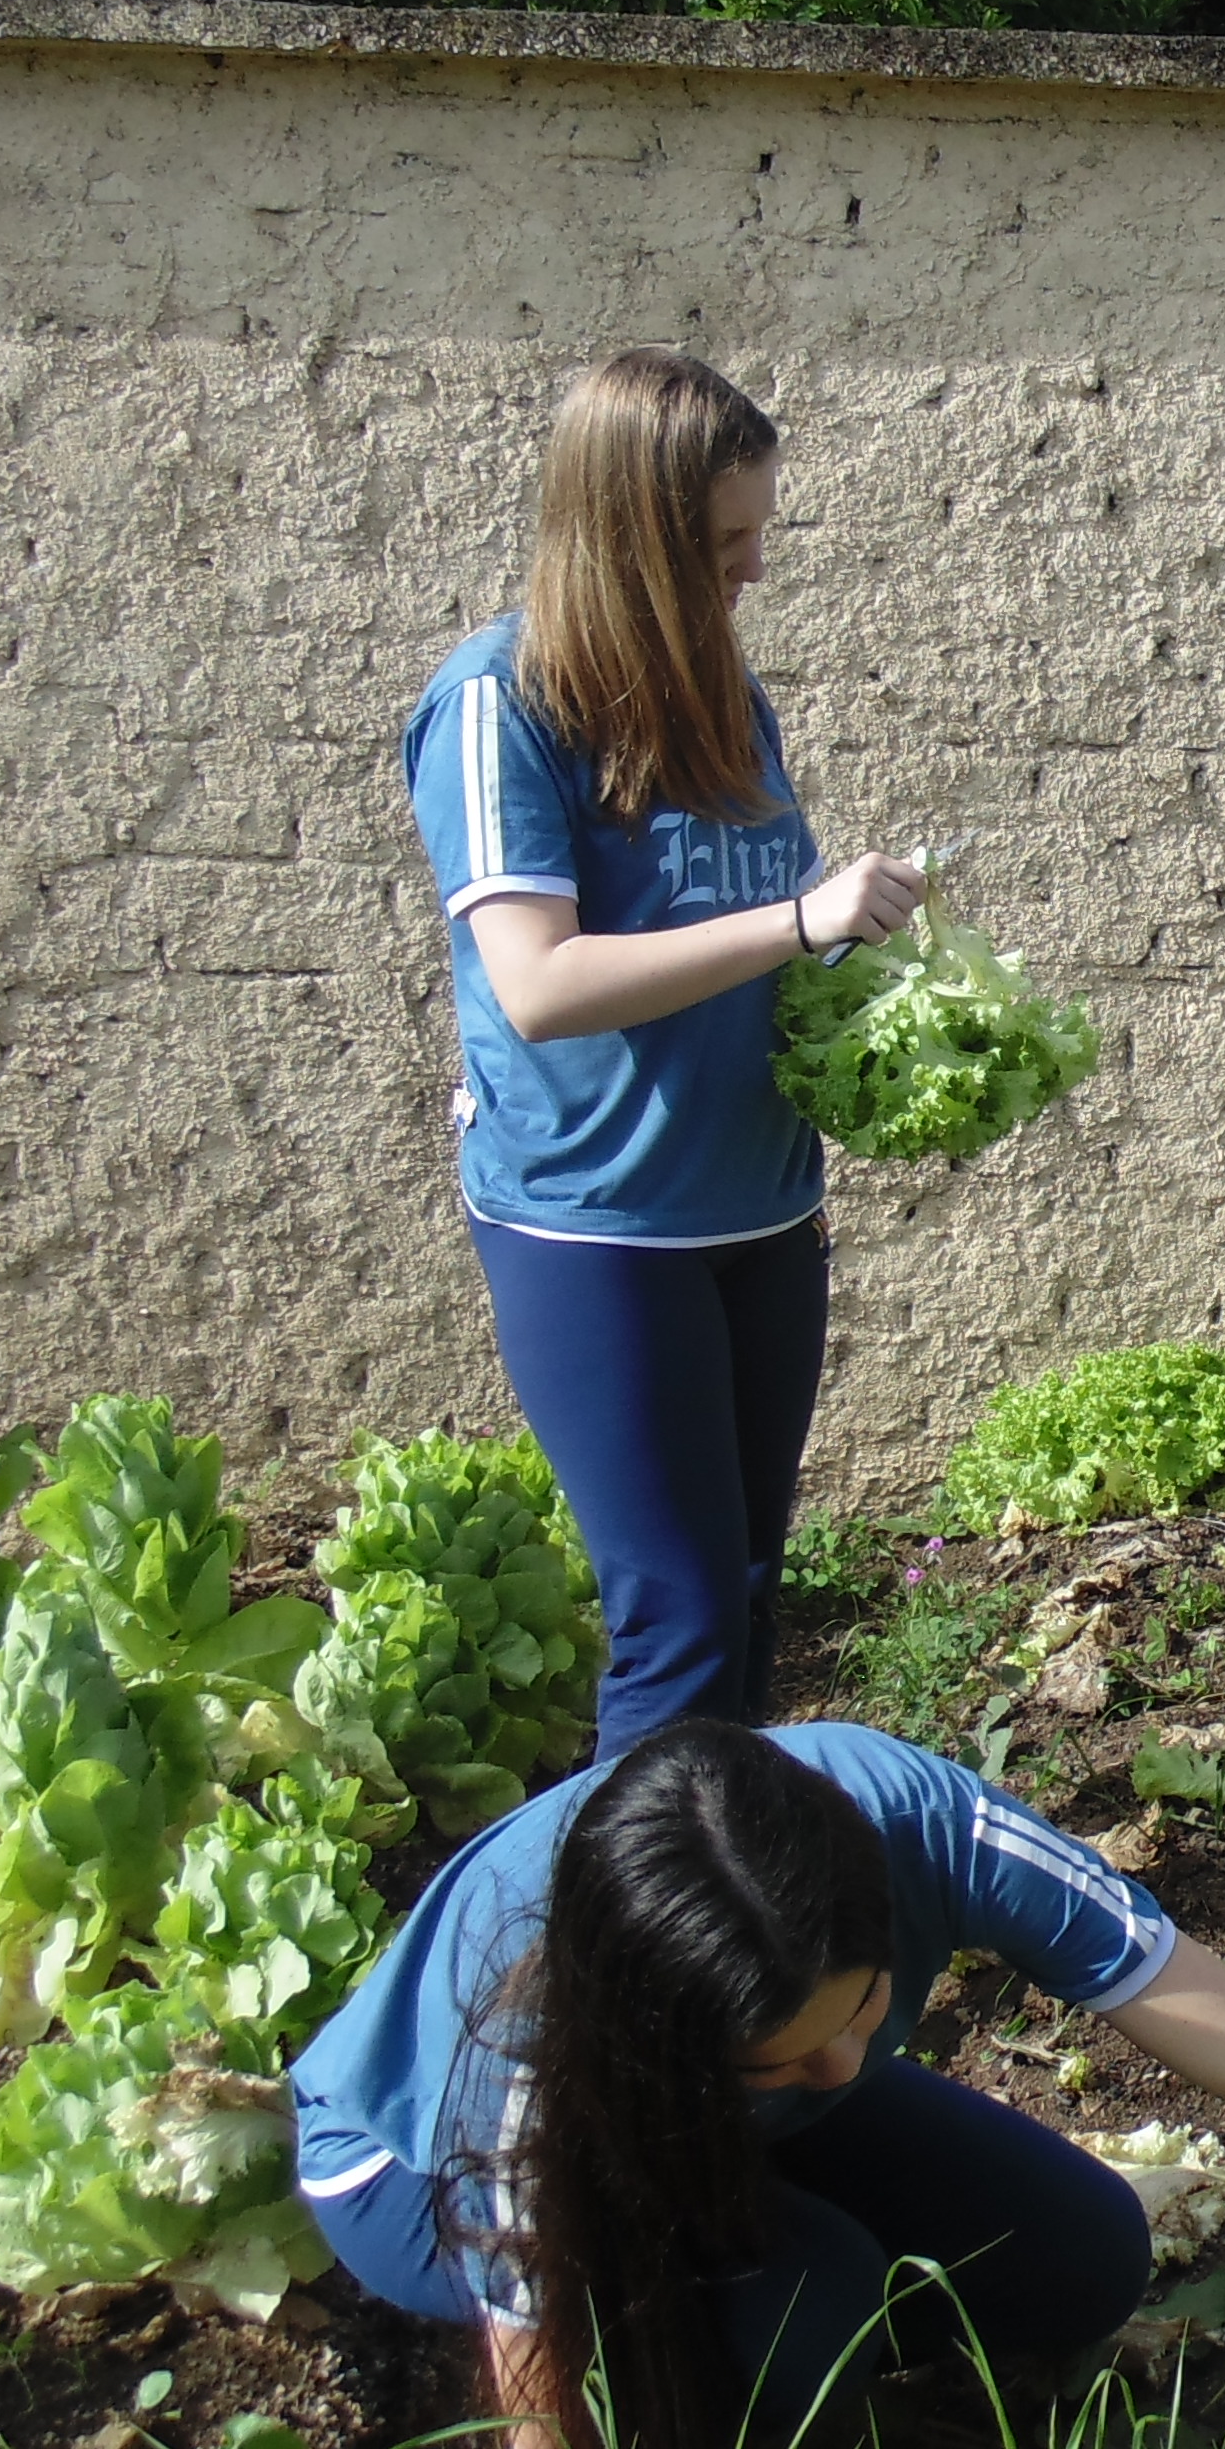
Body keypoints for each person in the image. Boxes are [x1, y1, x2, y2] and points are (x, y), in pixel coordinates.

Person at [289, 1716, 1225, 2449]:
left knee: (1082, 2258)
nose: (850, 2063)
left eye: (867, 2009)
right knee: (811, 2302)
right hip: (405, 2173)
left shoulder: (921, 1820)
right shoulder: (524, 2064)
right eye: (786, 2056)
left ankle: (763, 2197)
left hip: (709, 2114)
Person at [402, 347, 921, 1744]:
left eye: (760, 531)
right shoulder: (496, 702)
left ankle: (743, 1939)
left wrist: (890, 995)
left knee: (749, 1597)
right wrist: (803, 924)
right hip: (598, 1229)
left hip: (760, 1204)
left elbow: (770, 933)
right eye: (721, 543)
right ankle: (623, 1951)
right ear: (631, 541)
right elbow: (543, 984)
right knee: (678, 1621)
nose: (752, 568)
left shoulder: (722, 689)